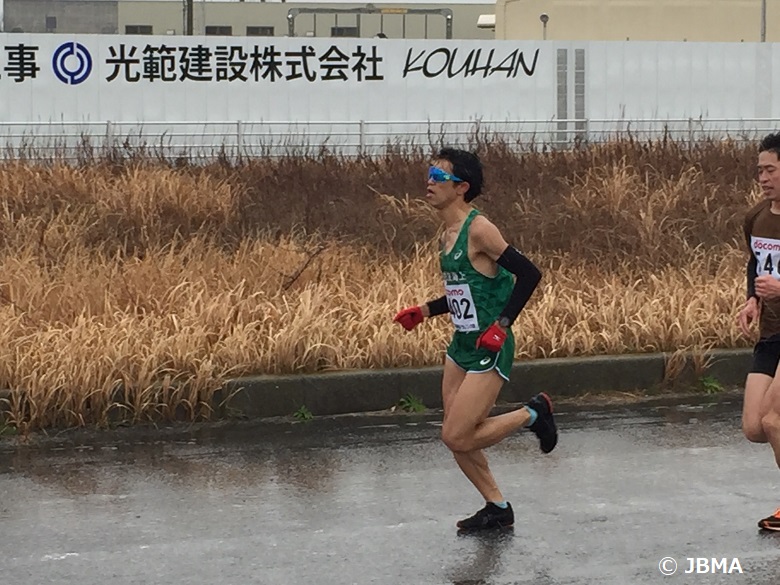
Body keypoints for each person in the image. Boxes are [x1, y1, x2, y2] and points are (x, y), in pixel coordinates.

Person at [393, 147, 558, 532]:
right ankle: (497, 507)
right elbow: (466, 292)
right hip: (461, 345)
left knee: (456, 435)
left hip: (490, 345)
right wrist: (426, 310)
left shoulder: (479, 229)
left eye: (439, 176)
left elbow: (529, 274)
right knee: (456, 437)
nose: (429, 182)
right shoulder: (447, 234)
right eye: (430, 173)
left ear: (462, 187)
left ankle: (534, 413)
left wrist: (502, 325)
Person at [738, 131, 780, 532]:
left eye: (770, 170)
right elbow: (756, 263)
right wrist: (752, 298)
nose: (762, 178)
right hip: (771, 332)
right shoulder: (756, 217)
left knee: (774, 420)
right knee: (754, 427)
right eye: (759, 171)